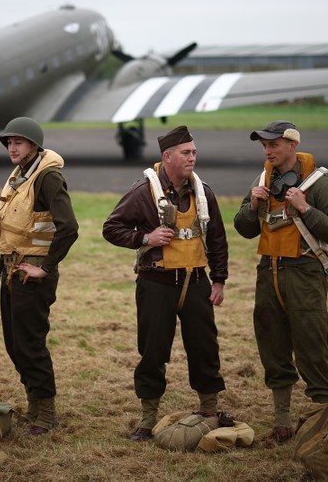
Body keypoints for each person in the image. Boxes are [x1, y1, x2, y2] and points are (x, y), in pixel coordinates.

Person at [102, 125, 229, 442]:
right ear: (167, 157)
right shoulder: (142, 192)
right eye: (186, 153)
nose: (192, 158)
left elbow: (217, 240)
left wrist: (219, 280)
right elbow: (111, 227)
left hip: (196, 281)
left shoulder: (204, 193)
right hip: (156, 283)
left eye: (194, 152)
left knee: (205, 347)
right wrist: (145, 237)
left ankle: (210, 410)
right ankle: (147, 419)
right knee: (153, 351)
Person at [233, 121, 328, 444]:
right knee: (272, 346)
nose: (268, 151)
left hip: (305, 273)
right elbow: (243, 227)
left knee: (312, 347)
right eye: (264, 146)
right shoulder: (262, 179)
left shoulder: (319, 181)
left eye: (274, 145)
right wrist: (253, 205)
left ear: (292, 146)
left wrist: (305, 208)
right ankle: (282, 422)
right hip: (268, 271)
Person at [0, 117, 79, 436]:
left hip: (32, 274)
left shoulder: (47, 177)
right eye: (9, 142)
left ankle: (47, 415)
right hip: (12, 269)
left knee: (30, 344)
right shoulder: (21, 174)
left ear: (34, 146)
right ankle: (34, 407)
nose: (12, 147)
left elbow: (70, 228)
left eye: (19, 142)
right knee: (15, 344)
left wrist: (46, 267)